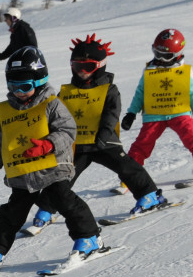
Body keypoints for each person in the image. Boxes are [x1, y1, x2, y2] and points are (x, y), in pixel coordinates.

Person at [0, 46, 102, 277]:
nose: (19, 92)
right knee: (11, 214)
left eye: (24, 86)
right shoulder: (4, 112)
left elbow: (68, 130)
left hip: (53, 168)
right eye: (13, 86)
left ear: (40, 81)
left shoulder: (51, 104)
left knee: (64, 200)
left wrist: (48, 144)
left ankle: (89, 237)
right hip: (22, 174)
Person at [27, 35, 167, 230]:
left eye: (88, 67)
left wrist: (104, 133)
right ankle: (47, 208)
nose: (82, 72)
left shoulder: (109, 89)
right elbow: (56, 114)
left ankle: (150, 195)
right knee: (62, 176)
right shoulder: (66, 92)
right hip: (76, 144)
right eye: (77, 67)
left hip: (104, 141)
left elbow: (112, 112)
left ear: (100, 66)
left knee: (126, 167)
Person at [121, 29, 193, 181]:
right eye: (157, 54)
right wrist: (131, 113)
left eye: (166, 56)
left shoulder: (184, 71)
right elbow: (140, 93)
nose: (160, 59)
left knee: (192, 136)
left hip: (178, 111)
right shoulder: (150, 70)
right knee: (143, 142)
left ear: (178, 54)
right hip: (154, 113)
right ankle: (132, 174)